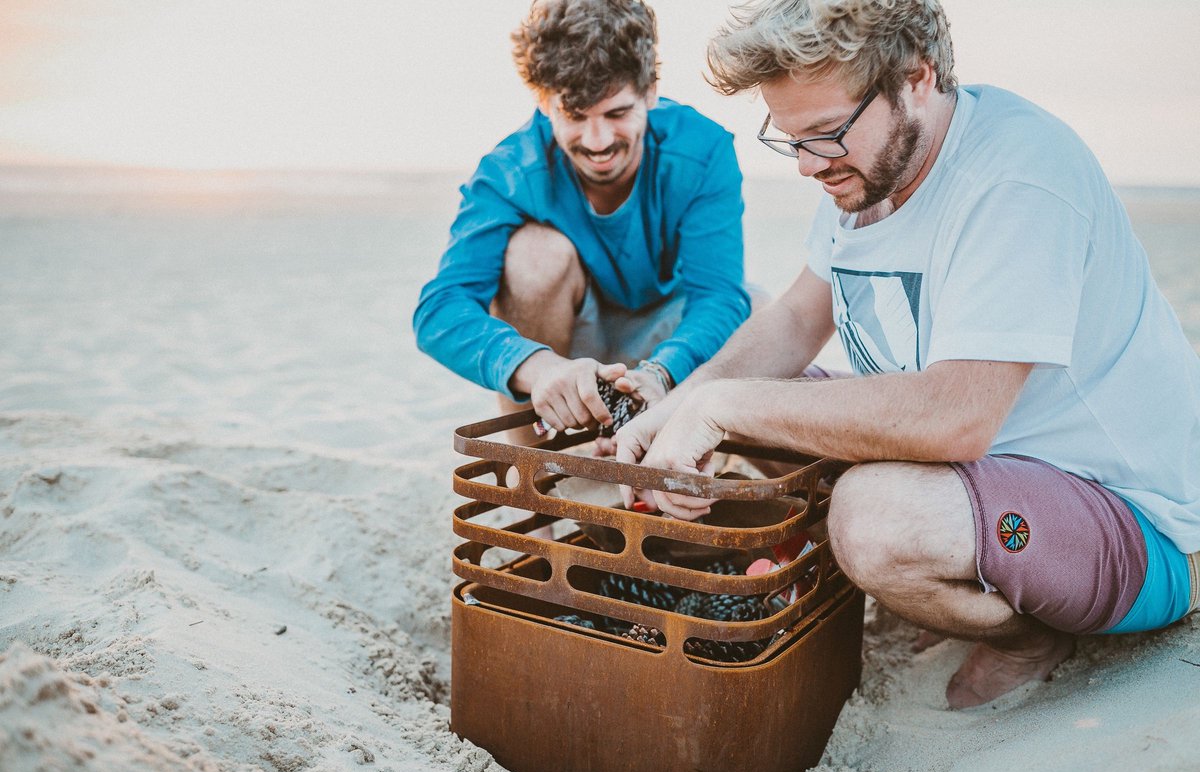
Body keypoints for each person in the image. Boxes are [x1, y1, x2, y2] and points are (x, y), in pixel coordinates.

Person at [615, 0, 1200, 709]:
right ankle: (953, 564)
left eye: (824, 135)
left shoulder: (1017, 177)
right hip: (990, 474)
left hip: (1140, 525)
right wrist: (680, 406)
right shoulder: (868, 164)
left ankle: (1031, 637)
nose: (805, 165)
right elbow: (799, 317)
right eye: (790, 138)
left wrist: (723, 404)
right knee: (748, 405)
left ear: (917, 77)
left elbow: (956, 419)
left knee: (874, 520)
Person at [413, 0, 751, 442]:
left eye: (617, 113)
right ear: (543, 100)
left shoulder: (702, 148)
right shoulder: (510, 170)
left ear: (650, 90)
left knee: (760, 313)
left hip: (669, 336)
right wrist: (539, 367)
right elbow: (440, 310)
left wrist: (662, 373)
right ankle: (540, 465)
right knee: (533, 256)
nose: (598, 142)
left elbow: (720, 295)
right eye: (574, 116)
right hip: (564, 347)